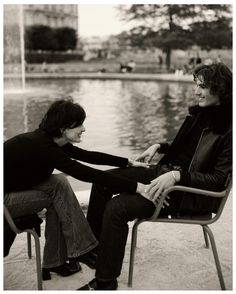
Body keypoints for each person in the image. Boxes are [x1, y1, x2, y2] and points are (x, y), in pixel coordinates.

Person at [78, 62, 232, 290]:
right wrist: (158, 145)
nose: (196, 91)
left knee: (117, 207)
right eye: (196, 85)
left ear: (220, 89)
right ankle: (94, 250)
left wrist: (177, 178)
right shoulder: (202, 113)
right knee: (103, 181)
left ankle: (105, 281)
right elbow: (188, 147)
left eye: (202, 86)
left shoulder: (230, 129)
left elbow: (219, 181)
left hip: (184, 193)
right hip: (166, 173)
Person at [4, 99, 150, 280]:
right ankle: (81, 249)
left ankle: (60, 259)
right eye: (79, 125)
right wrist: (136, 186)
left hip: (13, 190)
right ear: (63, 128)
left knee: (58, 183)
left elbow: (87, 156)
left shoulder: (49, 141)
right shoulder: (43, 147)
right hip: (4, 201)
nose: (84, 129)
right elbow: (85, 173)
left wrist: (126, 162)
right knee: (59, 190)